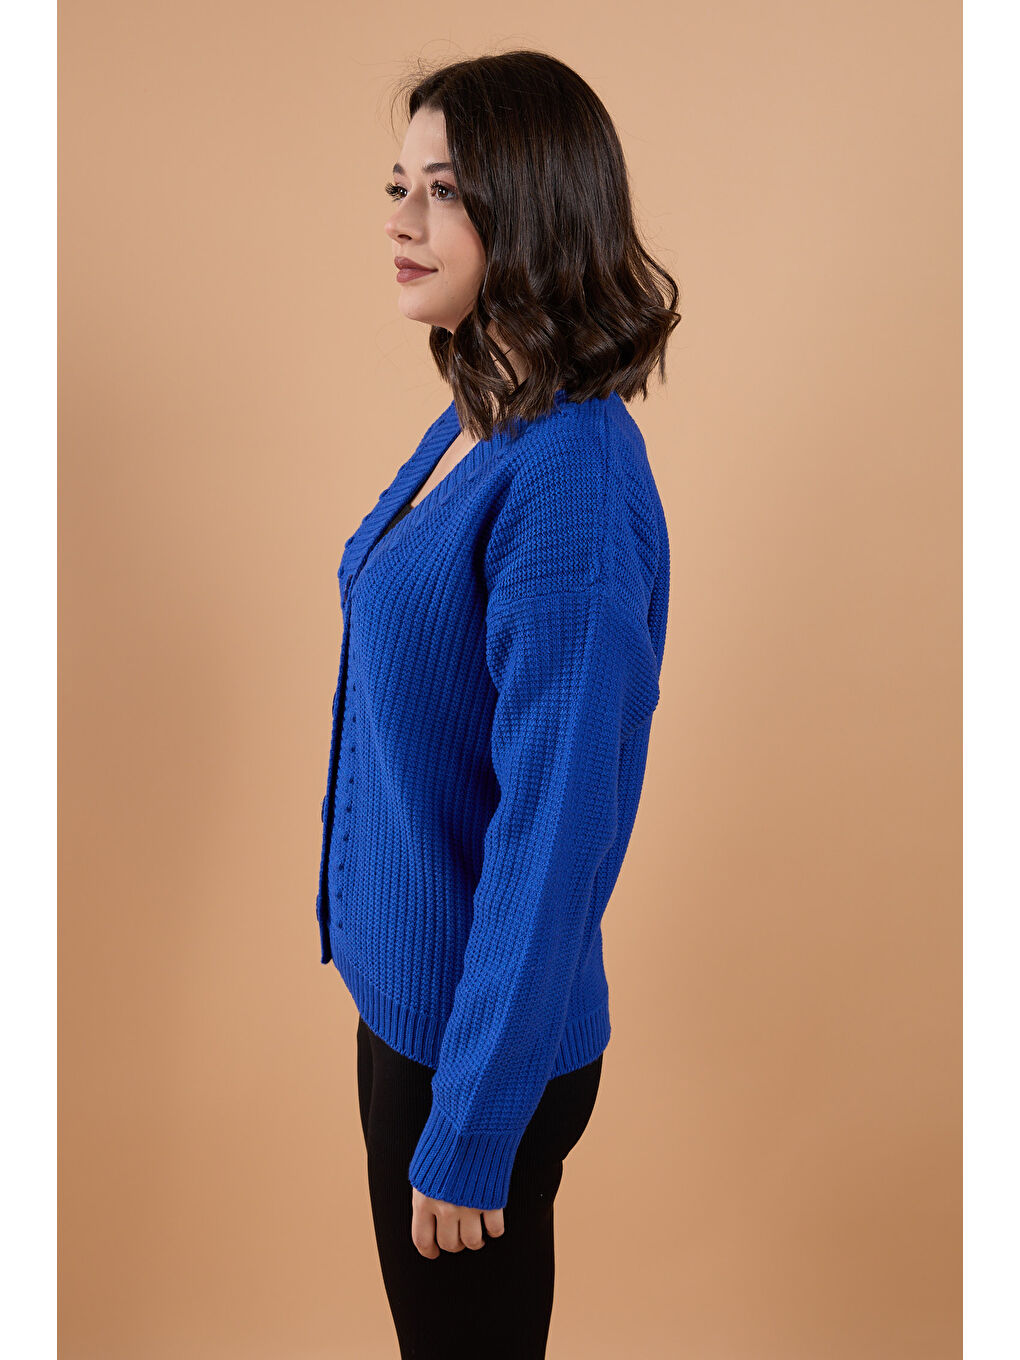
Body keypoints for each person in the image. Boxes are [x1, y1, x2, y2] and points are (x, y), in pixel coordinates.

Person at [314, 49, 680, 1359]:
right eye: (398, 186)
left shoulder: (568, 476)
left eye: (446, 191)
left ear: (534, 206)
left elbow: (556, 829)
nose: (402, 221)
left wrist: (471, 1122)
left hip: (475, 1057)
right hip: (419, 1013)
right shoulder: (484, 416)